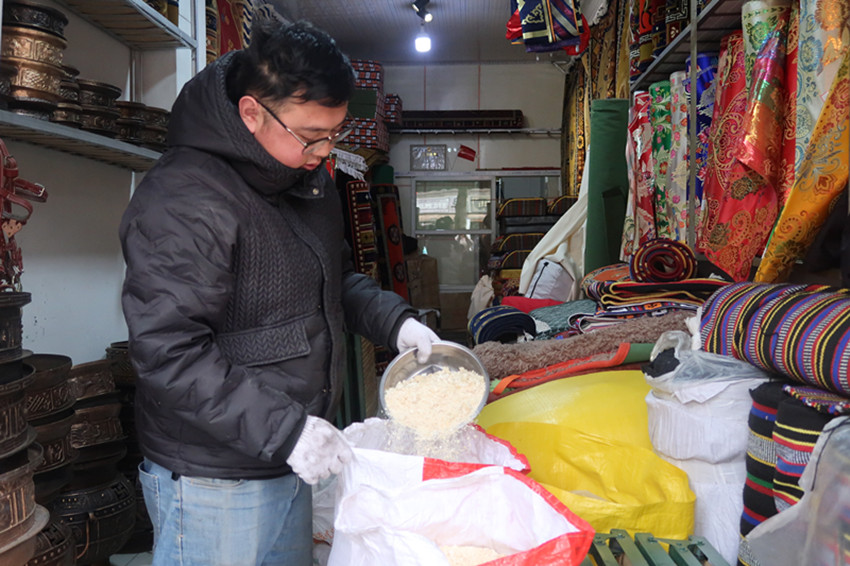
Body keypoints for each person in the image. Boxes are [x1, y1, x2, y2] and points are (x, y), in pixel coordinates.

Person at [119, 19, 439, 566]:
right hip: (215, 478)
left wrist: (396, 322)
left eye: (334, 134)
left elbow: (335, 279)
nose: (324, 151)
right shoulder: (183, 198)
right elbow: (167, 351)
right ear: (251, 113)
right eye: (311, 136)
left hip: (287, 455)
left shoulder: (304, 180)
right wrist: (287, 430)